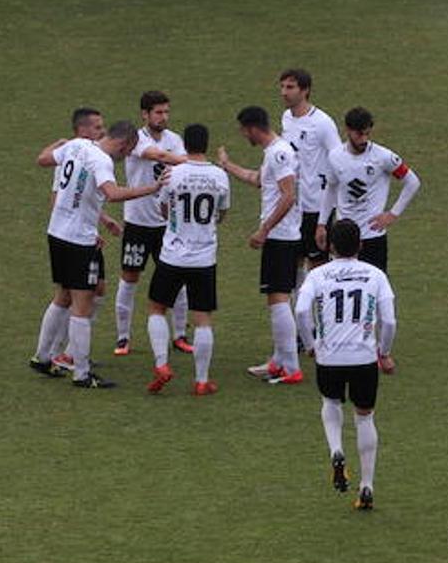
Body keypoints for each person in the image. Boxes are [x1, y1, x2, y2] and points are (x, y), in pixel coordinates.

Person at [29, 120, 167, 389]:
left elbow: (44, 159)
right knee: (83, 305)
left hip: (56, 232)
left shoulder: (78, 144)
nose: (125, 157)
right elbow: (113, 194)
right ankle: (81, 373)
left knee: (62, 296)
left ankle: (42, 357)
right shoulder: (101, 160)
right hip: (79, 240)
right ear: (124, 143)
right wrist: (152, 188)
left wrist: (59, 143)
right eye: (128, 152)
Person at [295, 219, 397, 510]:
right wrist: (385, 352)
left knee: (331, 401)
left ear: (329, 246)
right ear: (361, 246)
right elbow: (389, 320)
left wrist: (311, 343)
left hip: (330, 356)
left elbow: (301, 310)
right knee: (365, 416)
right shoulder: (375, 275)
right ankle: (366, 486)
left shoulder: (318, 275)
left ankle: (336, 449)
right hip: (364, 357)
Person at [216, 105, 305, 384]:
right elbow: (258, 180)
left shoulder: (279, 153)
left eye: (244, 131)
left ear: (252, 127)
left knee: (278, 298)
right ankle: (279, 361)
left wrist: (264, 230)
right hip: (282, 236)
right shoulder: (275, 153)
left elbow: (288, 195)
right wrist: (228, 166)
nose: (244, 136)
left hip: (281, 237)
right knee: (278, 297)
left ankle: (291, 367)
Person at [143, 124, 230, 396]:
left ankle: (161, 365)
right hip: (204, 257)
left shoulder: (173, 173)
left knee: (157, 308)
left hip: (172, 254)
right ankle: (201, 380)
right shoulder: (219, 176)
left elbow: (164, 209)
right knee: (203, 318)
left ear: (185, 146)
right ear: (206, 144)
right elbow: (222, 213)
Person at [36, 107, 121, 373]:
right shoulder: (85, 155)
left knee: (92, 290)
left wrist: (102, 219)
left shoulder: (73, 151)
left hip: (68, 233)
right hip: (77, 238)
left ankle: (50, 354)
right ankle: (70, 357)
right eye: (97, 127)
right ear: (82, 130)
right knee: (80, 298)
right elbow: (61, 201)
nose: (102, 131)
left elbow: (74, 198)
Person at [114, 90, 193, 358]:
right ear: (145, 114)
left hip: (167, 225)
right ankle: (123, 338)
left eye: (166, 112)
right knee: (129, 278)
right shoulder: (136, 140)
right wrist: (195, 162)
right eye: (158, 112)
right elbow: (159, 156)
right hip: (137, 223)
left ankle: (180, 335)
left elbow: (180, 169)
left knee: (178, 280)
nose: (164, 117)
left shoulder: (175, 139)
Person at [315, 107, 421, 274]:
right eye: (359, 134)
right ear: (348, 131)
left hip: (372, 238)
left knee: (375, 291)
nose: (364, 139)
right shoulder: (335, 157)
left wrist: (392, 214)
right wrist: (321, 224)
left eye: (367, 134)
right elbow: (331, 189)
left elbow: (412, 182)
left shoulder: (383, 157)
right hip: (343, 237)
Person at [278, 68, 342, 285]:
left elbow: (339, 159)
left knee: (318, 268)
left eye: (290, 87)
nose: (283, 92)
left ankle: (319, 317)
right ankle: (299, 317)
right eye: (282, 87)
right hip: (293, 206)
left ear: (305, 91)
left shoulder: (322, 123)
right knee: (293, 265)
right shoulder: (286, 118)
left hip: (317, 206)